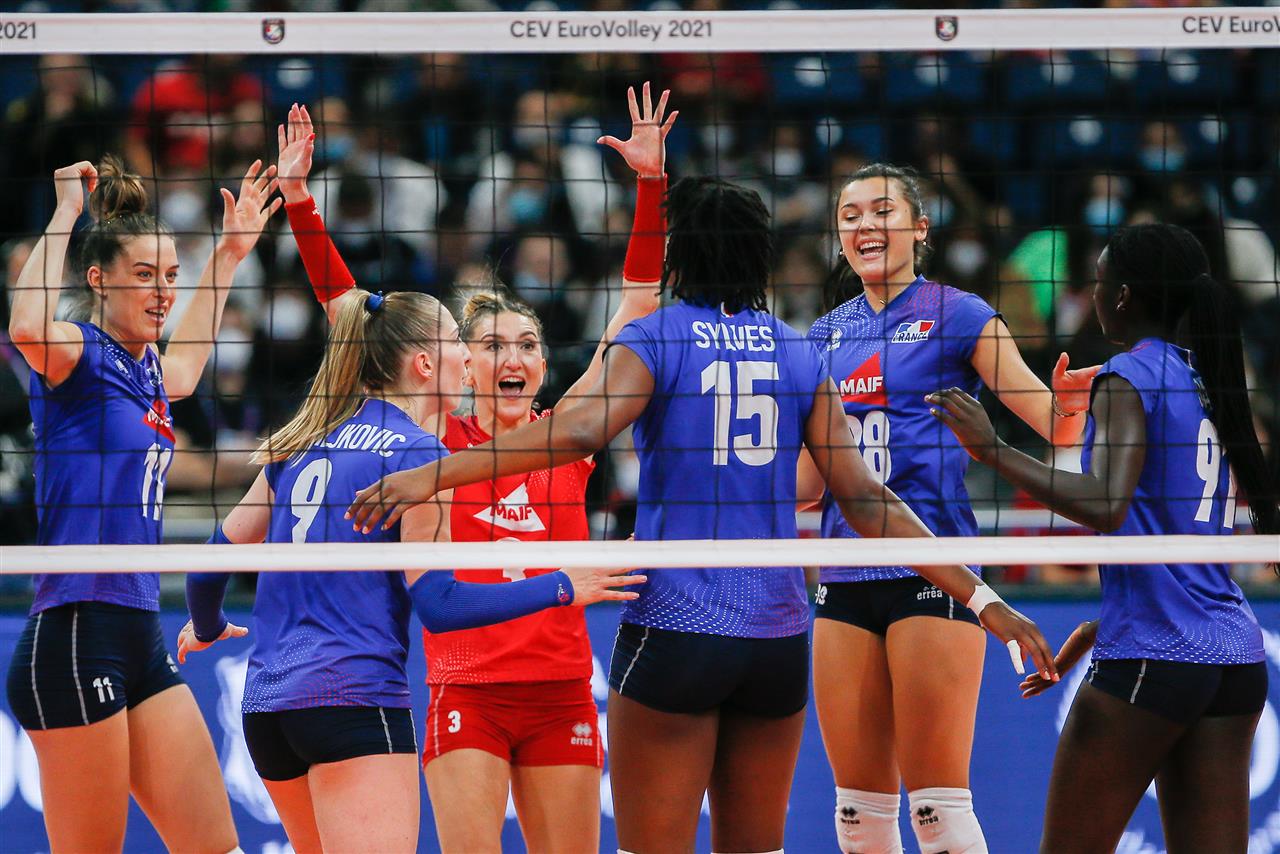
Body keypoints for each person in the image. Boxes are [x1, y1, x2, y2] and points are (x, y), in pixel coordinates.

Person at [347, 175, 1057, 854]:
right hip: (776, 639)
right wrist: (982, 596)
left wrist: (432, 473)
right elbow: (866, 498)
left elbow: (576, 432)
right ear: (758, 255)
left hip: (678, 626)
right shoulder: (798, 349)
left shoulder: (659, 339)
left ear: (679, 255)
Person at [272, 85, 670, 853]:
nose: (513, 357)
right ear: (460, 363)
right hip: (467, 690)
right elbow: (351, 317)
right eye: (492, 345)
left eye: (528, 344)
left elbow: (640, 303)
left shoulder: (569, 435)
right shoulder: (433, 441)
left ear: (542, 364)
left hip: (560, 691)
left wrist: (651, 186)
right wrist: (298, 201)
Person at [178, 289, 644, 854]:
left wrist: (207, 627)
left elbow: (208, 565)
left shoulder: (299, 439)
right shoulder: (419, 454)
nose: (467, 357)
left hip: (268, 709)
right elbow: (440, 606)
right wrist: (565, 583)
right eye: (457, 343)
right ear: (425, 363)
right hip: (353, 698)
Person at [931, 223, 1278, 854]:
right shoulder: (1206, 379)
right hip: (1232, 657)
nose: (1092, 295)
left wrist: (993, 449)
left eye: (1098, 282)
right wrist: (1104, 622)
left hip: (1155, 653)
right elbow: (1173, 533)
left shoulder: (1128, 375)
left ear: (1123, 295)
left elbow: (1109, 504)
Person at [798, 162, 1099, 854]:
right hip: (843, 572)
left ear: (920, 228)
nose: (865, 226)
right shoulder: (823, 336)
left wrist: (1071, 408)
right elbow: (807, 485)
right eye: (850, 216)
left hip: (935, 572)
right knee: (858, 817)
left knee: (937, 811)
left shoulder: (959, 313)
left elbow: (1053, 426)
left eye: (882, 211)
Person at [4, 155, 278, 853]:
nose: (162, 293)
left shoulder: (148, 368)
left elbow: (185, 368)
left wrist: (229, 253)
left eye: (171, 277)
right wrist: (67, 210)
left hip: (139, 631)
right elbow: (27, 325)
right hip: (74, 631)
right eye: (146, 276)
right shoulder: (78, 355)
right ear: (99, 280)